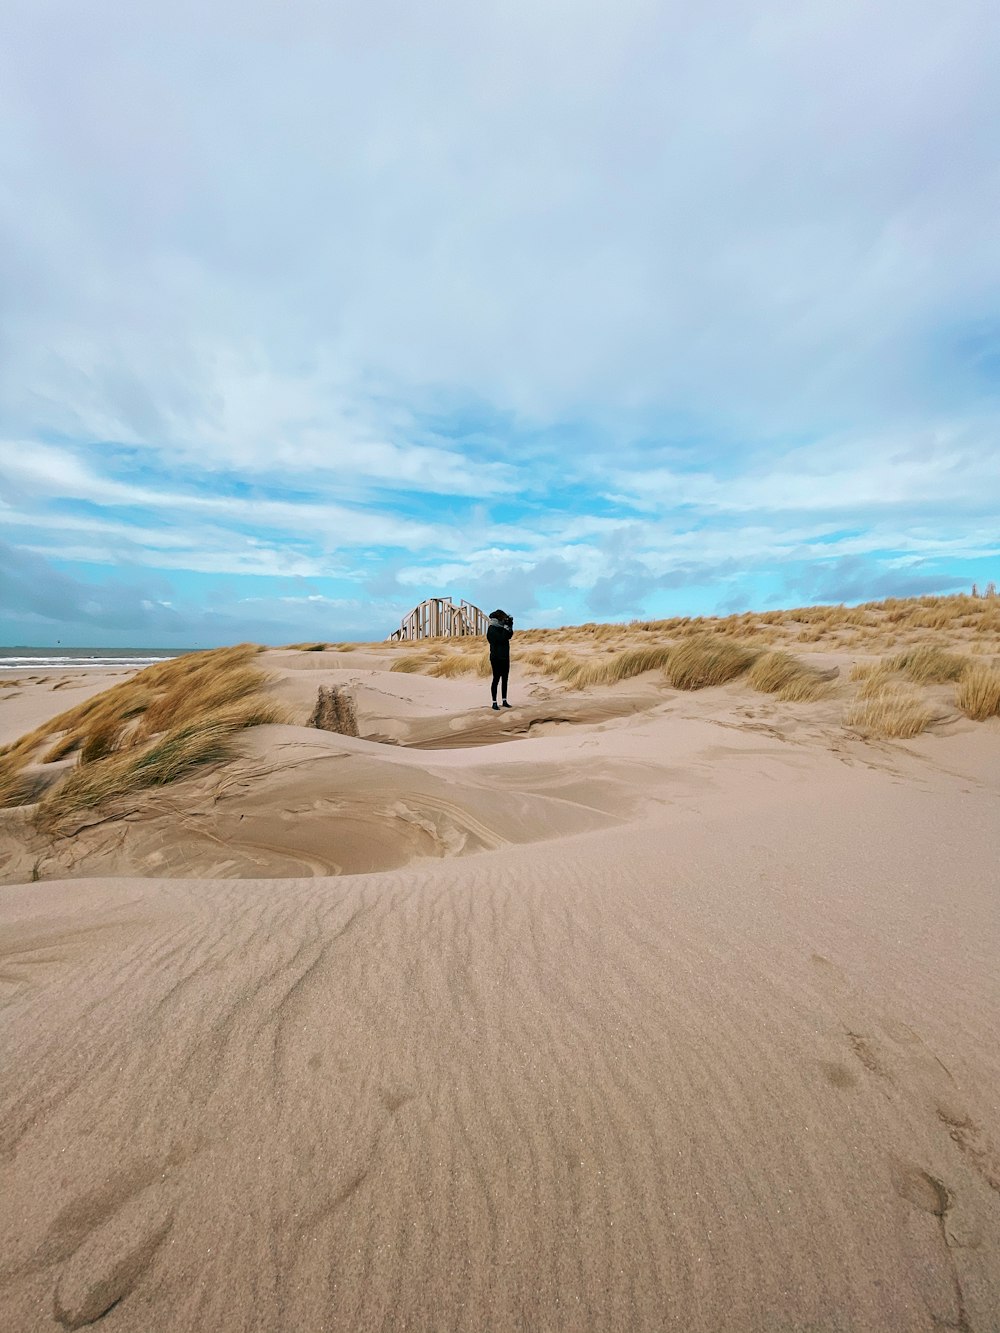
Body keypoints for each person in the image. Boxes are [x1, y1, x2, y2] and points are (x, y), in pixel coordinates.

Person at [486, 609, 514, 709]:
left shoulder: (503, 628)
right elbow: (502, 639)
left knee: (505, 679)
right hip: (496, 657)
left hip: (505, 656)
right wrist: (506, 628)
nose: (504, 620)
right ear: (498, 618)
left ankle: (504, 700)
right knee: (496, 679)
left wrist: (510, 625)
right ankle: (494, 702)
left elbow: (509, 635)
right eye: (503, 619)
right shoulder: (491, 629)